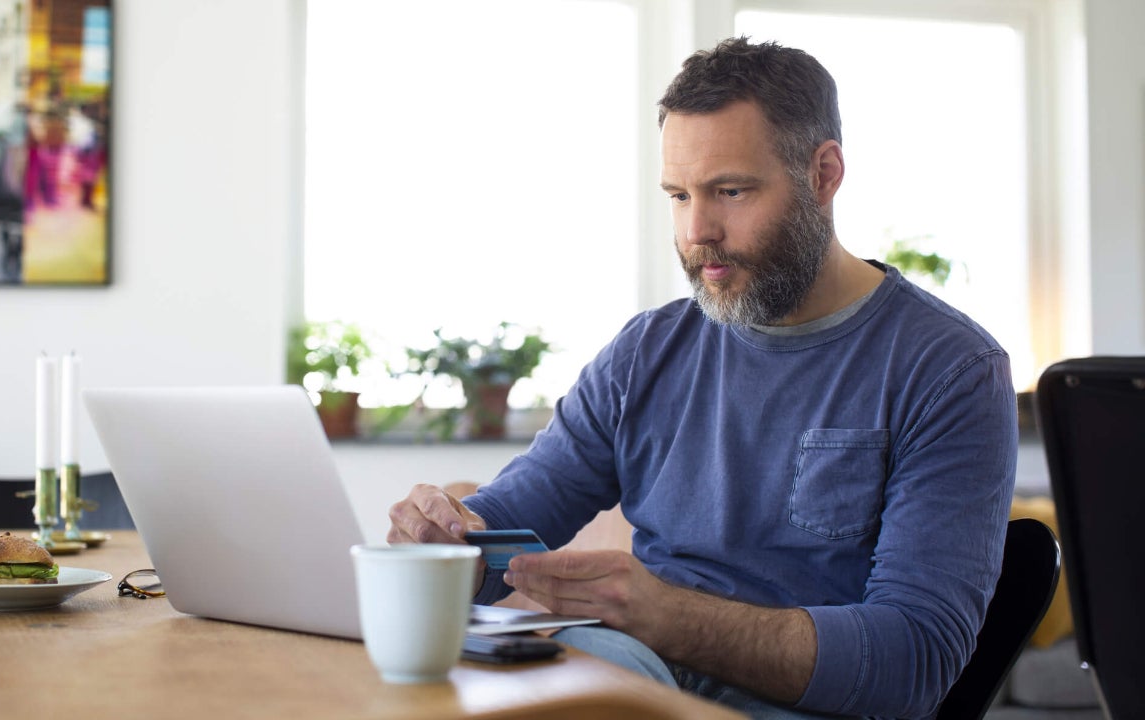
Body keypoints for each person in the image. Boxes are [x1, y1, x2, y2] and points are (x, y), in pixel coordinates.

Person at [386, 36, 1018, 720]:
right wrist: (449, 539)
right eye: (679, 195)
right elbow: (512, 519)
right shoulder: (647, 351)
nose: (696, 231)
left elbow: (914, 661)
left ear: (824, 175)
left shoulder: (949, 370)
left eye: (731, 191)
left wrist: (669, 617)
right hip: (635, 685)